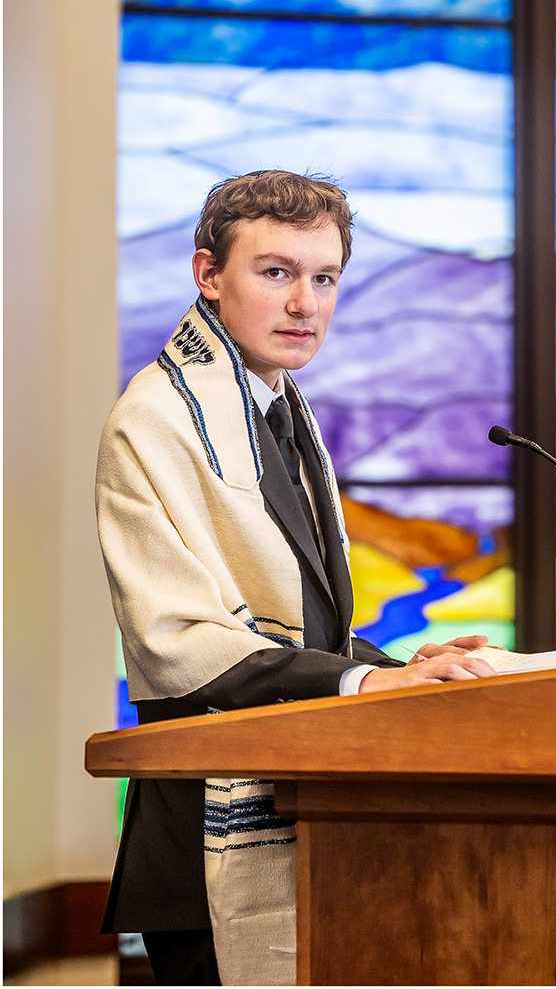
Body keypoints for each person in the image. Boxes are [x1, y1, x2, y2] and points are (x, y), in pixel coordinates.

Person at [96, 171, 495, 987]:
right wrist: (362, 684)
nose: (305, 304)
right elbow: (184, 645)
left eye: (324, 279)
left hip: (308, 804)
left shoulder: (279, 405)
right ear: (208, 273)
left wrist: (401, 672)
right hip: (203, 829)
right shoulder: (158, 419)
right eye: (276, 272)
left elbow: (297, 624)